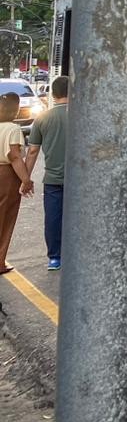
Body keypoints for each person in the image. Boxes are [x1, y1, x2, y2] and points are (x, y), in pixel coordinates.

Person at [26, 75, 69, 271]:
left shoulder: (43, 118)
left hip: (53, 180)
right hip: (79, 180)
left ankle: (55, 257)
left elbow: (33, 151)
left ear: (53, 94)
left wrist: (25, 179)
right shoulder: (84, 118)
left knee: (53, 218)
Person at [1, 91, 36, 275]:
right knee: (5, 218)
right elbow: (14, 156)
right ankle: (0, 261)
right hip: (6, 176)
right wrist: (26, 180)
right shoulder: (12, 129)